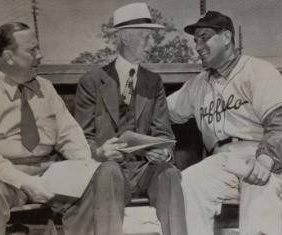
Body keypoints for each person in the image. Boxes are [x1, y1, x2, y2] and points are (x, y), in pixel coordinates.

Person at [0, 22, 125, 235]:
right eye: (32, 50)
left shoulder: (46, 88)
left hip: (48, 171)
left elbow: (69, 135)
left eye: (38, 48)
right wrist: (24, 182)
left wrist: (85, 164)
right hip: (2, 176)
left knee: (105, 173)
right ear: (9, 57)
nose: (40, 56)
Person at [167, 11, 282, 235]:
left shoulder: (258, 70)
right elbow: (161, 111)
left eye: (204, 37)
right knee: (188, 183)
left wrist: (266, 160)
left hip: (264, 154)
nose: (198, 46)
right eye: (195, 40)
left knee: (258, 188)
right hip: (222, 160)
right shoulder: (197, 85)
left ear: (226, 37)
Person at [73, 3, 187, 235]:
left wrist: (162, 152)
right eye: (144, 37)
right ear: (124, 37)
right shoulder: (92, 81)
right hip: (108, 171)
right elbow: (81, 137)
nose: (150, 42)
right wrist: (99, 151)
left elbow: (164, 134)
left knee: (170, 174)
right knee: (107, 171)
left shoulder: (153, 82)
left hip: (144, 170)